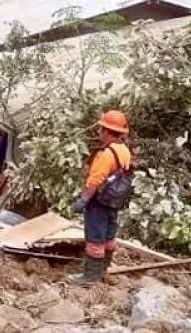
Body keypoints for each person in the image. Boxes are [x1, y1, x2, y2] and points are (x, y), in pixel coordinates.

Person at [69, 110, 133, 285]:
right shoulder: (124, 150)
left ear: (106, 130)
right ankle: (103, 271)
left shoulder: (106, 154)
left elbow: (95, 180)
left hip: (99, 201)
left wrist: (84, 199)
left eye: (100, 128)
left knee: (95, 238)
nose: (98, 131)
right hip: (115, 200)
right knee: (109, 237)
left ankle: (89, 277)